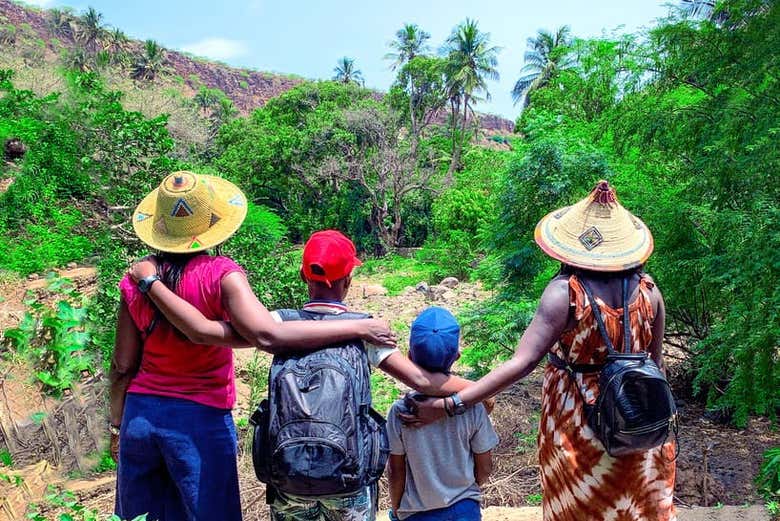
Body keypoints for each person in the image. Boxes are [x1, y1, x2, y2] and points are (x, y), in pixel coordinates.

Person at [130, 228, 493, 521]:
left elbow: (207, 332)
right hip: (346, 479)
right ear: (348, 279)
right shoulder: (365, 329)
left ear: (305, 275)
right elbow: (424, 382)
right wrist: (480, 391)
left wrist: (151, 285)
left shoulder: (275, 325)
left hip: (289, 477)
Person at [110, 171, 396, 521]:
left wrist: (117, 424)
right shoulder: (221, 274)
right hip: (199, 420)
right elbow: (268, 336)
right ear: (212, 222)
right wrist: (359, 326)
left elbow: (122, 365)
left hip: (140, 416)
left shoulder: (135, 280)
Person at [403, 181, 677, 521]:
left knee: (580, 509)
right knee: (633, 509)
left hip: (580, 430)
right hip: (639, 428)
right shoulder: (650, 292)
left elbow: (521, 363)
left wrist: (449, 404)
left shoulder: (565, 293)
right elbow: (656, 366)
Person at [387, 307, 498, 521]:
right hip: (465, 508)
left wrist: (397, 509)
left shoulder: (400, 412)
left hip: (416, 513)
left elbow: (395, 471)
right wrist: (466, 492)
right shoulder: (473, 408)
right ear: (456, 356)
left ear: (409, 356)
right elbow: (485, 467)